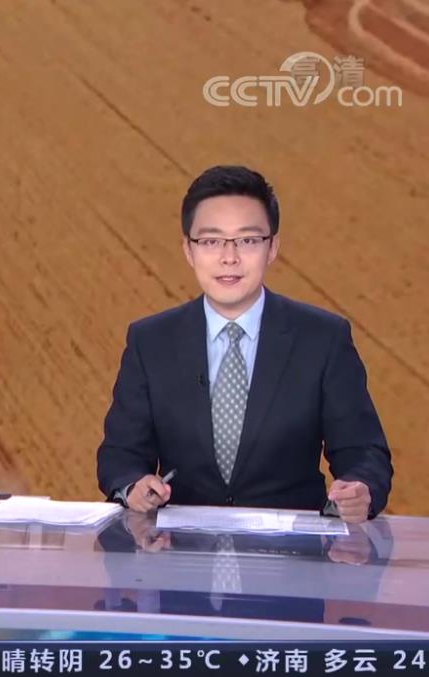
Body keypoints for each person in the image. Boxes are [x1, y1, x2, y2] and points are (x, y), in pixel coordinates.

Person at [96, 165, 392, 523]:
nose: (229, 257)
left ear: (272, 248)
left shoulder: (323, 338)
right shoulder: (150, 341)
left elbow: (364, 452)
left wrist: (361, 489)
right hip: (179, 546)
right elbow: (120, 455)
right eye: (211, 241)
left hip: (293, 550)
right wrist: (133, 485)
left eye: (248, 240)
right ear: (188, 250)